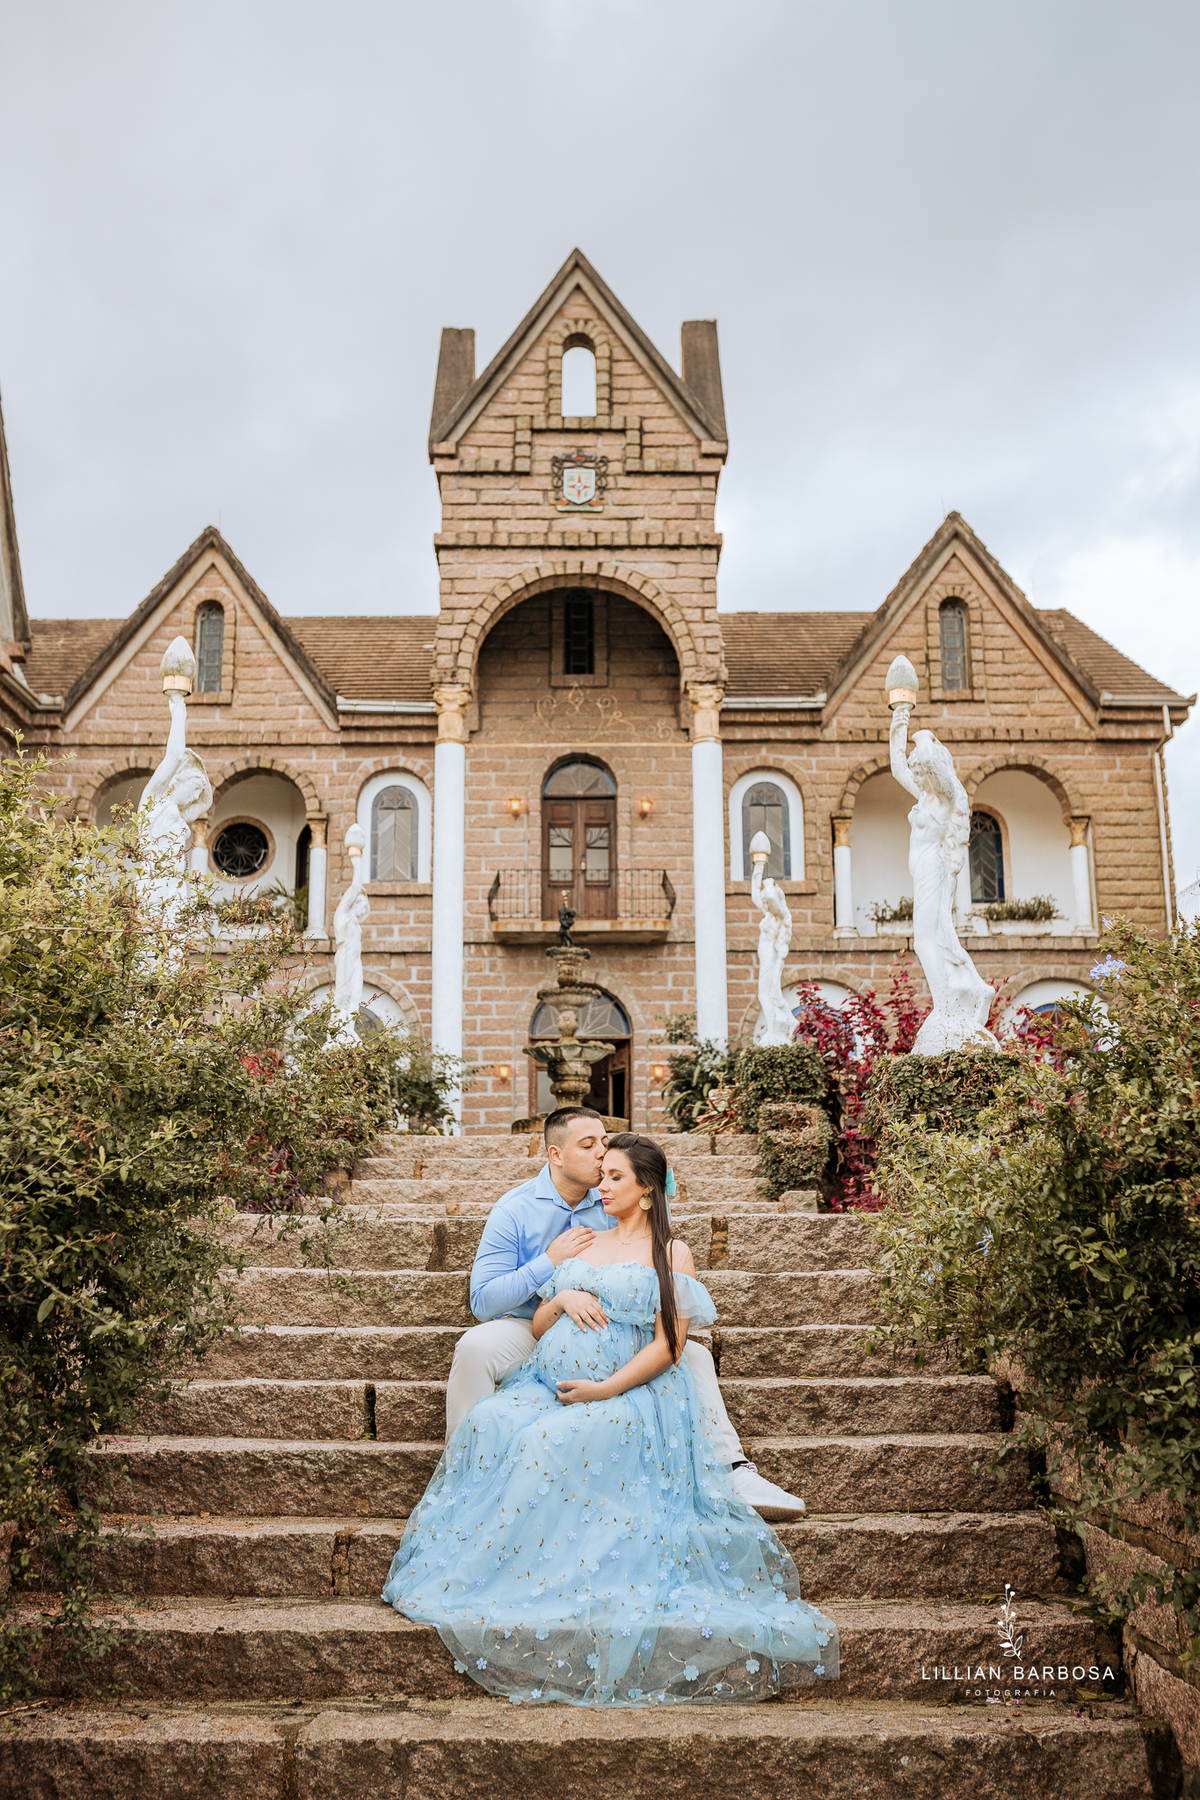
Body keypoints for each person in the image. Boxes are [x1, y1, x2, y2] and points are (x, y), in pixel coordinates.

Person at [383, 1133, 838, 1705]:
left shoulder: (672, 1253)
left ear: (647, 1191)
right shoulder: (583, 1241)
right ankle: (487, 1560)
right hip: (545, 1383)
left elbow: (672, 1345)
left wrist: (605, 1388)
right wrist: (560, 1301)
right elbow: (543, 1327)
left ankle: (546, 1571)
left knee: (543, 1441)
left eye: (615, 1176)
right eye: (603, 1174)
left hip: (628, 1393)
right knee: (490, 1422)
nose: (602, 1184)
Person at [445, 1106, 807, 1521]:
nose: (602, 1153)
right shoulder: (515, 1209)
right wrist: (550, 1267)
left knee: (693, 1355)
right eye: (589, 1145)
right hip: (531, 1323)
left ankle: (732, 1467)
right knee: (474, 1347)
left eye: (604, 1142)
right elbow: (483, 1302)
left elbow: (655, 1253)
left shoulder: (613, 1198)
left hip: (618, 1329)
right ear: (555, 1155)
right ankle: (465, 1471)